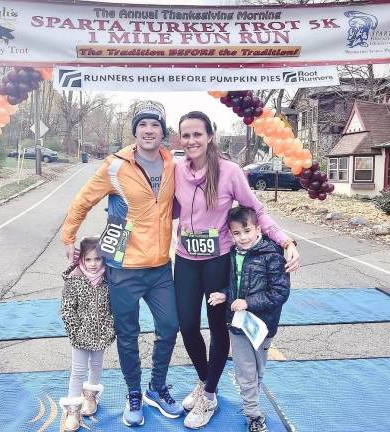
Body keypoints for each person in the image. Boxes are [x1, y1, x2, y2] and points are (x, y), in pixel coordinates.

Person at [61, 101, 183, 427]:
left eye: (155, 125)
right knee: (127, 335)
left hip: (159, 267)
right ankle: (133, 393)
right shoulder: (115, 166)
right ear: (135, 131)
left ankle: (156, 388)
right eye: (142, 125)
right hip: (124, 267)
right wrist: (68, 236)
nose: (148, 130)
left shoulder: (173, 165)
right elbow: (84, 199)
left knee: (170, 326)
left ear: (163, 131)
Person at [173, 111, 299, 429]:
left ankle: (210, 394)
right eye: (185, 135)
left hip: (218, 260)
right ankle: (205, 382)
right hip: (186, 258)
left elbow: (256, 210)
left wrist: (285, 241)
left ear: (210, 135)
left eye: (197, 134)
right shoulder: (176, 170)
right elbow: (163, 207)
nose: (191, 141)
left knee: (218, 329)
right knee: (187, 325)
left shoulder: (229, 171)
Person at [225, 206, 290, 432]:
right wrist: (224, 295)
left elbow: (280, 292)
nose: (243, 238)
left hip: (263, 326)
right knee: (246, 372)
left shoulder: (272, 254)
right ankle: (253, 414)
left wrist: (249, 303)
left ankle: (251, 399)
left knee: (258, 371)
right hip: (238, 326)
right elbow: (232, 285)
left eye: (247, 231)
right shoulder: (231, 254)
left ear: (258, 229)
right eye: (236, 233)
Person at [59, 236, 116, 432]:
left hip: (101, 334)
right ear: (81, 259)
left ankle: (90, 394)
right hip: (80, 336)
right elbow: (67, 310)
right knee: (78, 370)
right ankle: (74, 408)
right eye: (89, 259)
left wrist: (110, 326)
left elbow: (114, 307)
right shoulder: (74, 279)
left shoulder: (108, 279)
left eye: (98, 259)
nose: (93, 264)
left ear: (104, 259)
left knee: (97, 365)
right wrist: (76, 332)